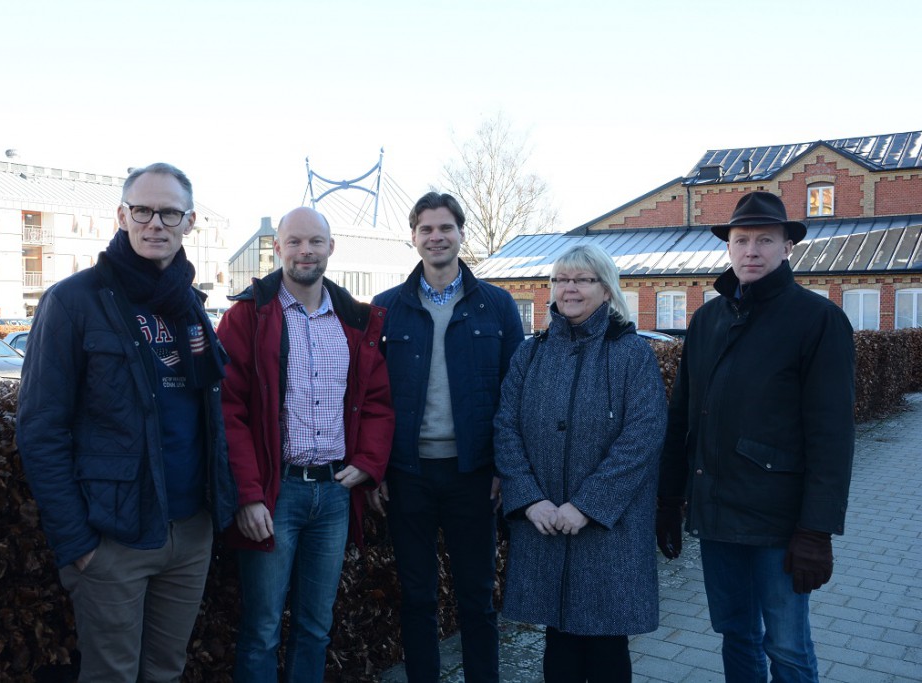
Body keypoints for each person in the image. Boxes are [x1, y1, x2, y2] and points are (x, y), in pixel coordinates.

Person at [16, 163, 237, 682]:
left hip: (190, 531)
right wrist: (78, 545)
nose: (155, 223)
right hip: (114, 537)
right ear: (122, 215)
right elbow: (40, 429)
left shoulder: (190, 304)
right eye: (142, 210)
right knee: (110, 676)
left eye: (169, 213)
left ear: (189, 222)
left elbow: (208, 409)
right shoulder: (73, 301)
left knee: (165, 671)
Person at [657, 191, 856, 682]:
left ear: (787, 247)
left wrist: (816, 531)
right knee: (736, 635)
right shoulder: (707, 320)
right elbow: (683, 416)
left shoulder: (817, 319)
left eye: (764, 240)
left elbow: (832, 435)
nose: (751, 250)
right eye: (741, 239)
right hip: (718, 514)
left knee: (786, 646)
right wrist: (669, 497)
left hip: (780, 523)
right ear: (728, 247)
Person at [217, 206, 394, 683]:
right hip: (278, 495)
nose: (304, 251)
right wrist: (249, 495)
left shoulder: (353, 321)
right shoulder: (247, 317)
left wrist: (368, 463)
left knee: (316, 627)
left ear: (331, 248)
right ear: (277, 248)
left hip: (334, 494)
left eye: (315, 241)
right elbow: (227, 411)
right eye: (294, 242)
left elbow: (376, 401)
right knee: (262, 629)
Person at [494, 244, 667, 682]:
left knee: (607, 644)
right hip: (546, 521)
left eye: (581, 279)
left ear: (606, 290)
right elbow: (506, 427)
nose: (568, 288)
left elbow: (641, 441)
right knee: (559, 643)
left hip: (609, 531)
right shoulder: (530, 354)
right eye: (560, 279)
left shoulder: (632, 355)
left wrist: (587, 506)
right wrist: (530, 500)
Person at [369, 191, 524, 682]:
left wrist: (504, 467)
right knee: (416, 597)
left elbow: (513, 394)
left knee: (477, 598)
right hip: (407, 474)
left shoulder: (496, 306)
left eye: (445, 228)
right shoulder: (385, 308)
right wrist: (376, 468)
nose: (436, 237)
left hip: (472, 473)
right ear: (413, 238)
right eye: (426, 229)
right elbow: (370, 398)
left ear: (461, 234)